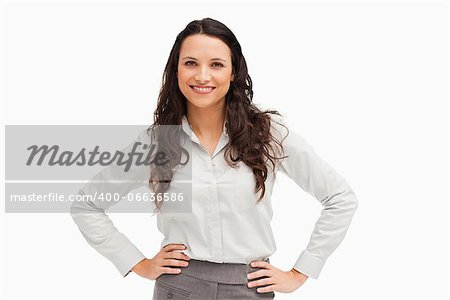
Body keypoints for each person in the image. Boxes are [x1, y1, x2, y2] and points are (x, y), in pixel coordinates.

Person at [70, 17, 358, 299]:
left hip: (250, 288)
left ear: (233, 72)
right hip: (180, 286)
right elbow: (87, 205)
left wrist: (300, 272)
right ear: (176, 70)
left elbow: (340, 197)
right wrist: (139, 263)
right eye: (191, 63)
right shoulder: (155, 142)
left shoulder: (268, 134)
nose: (202, 76)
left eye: (216, 64)